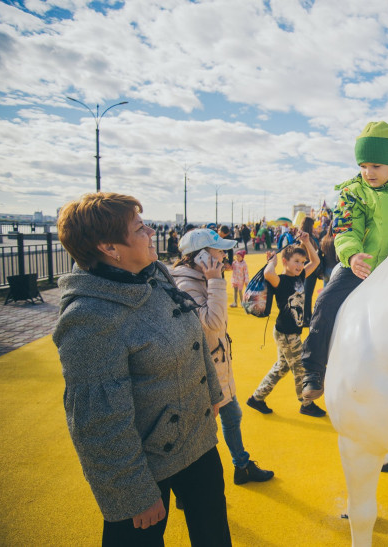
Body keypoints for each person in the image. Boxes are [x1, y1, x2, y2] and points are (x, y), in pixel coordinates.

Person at [53, 193, 232, 546]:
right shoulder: (89, 317)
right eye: (139, 228)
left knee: (213, 533)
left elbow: (194, 337)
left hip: (197, 441)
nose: (151, 232)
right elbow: (98, 422)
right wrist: (133, 494)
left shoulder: (155, 274)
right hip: (145, 467)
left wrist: (212, 392)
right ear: (109, 248)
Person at [301, 120, 388, 400]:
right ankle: (313, 369)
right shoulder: (352, 191)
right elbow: (346, 228)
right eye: (363, 166)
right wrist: (352, 254)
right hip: (361, 267)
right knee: (325, 302)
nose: (368, 172)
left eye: (376, 166)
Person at [172, 229, 274, 487]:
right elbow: (213, 322)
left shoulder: (200, 278)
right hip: (203, 373)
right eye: (218, 250)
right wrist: (215, 279)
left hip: (218, 366)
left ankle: (241, 465)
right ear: (201, 256)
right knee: (200, 431)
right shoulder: (186, 284)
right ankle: (190, 489)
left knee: (232, 415)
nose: (223, 255)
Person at [247, 234, 325, 417]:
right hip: (286, 334)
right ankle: (306, 403)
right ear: (285, 261)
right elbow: (268, 274)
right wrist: (272, 262)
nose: (300, 265)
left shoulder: (301, 276)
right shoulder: (280, 280)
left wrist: (307, 242)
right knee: (300, 368)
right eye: (296, 261)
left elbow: (315, 261)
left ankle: (257, 398)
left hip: (291, 332)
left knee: (281, 367)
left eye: (302, 262)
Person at [300, 215, 322, 325]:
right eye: (312, 225)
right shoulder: (306, 239)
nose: (314, 227)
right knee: (307, 293)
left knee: (307, 293)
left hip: (309, 265)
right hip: (310, 265)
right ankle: (306, 317)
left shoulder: (308, 237)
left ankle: (307, 316)